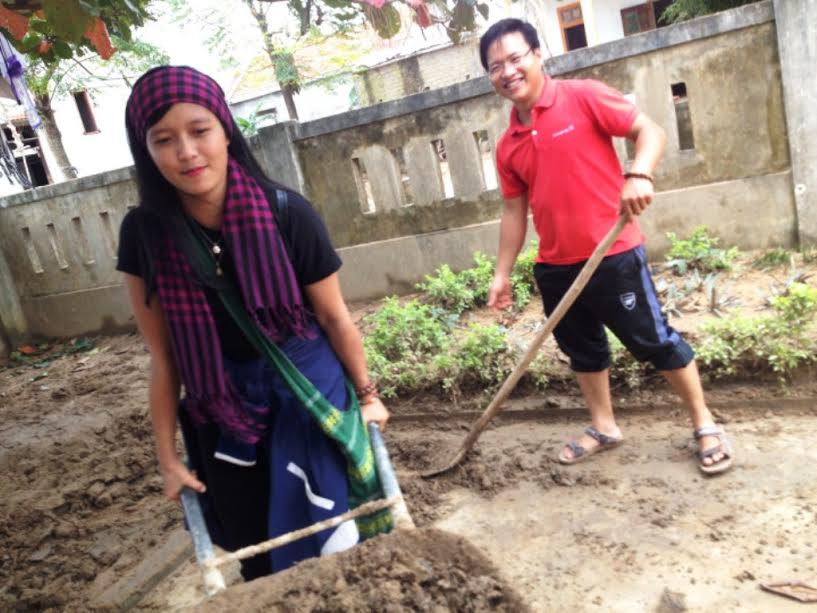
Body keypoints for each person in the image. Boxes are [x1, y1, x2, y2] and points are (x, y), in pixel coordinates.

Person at [117, 65, 391, 580]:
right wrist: (167, 459)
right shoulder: (144, 235)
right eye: (164, 140)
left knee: (337, 536)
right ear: (146, 151)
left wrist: (369, 395)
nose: (188, 152)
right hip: (223, 413)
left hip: (307, 397)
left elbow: (334, 317)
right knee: (257, 551)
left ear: (225, 129)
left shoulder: (287, 212)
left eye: (199, 131)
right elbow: (164, 355)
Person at [479, 19, 732, 475]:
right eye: (496, 66)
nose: (508, 71)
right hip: (556, 266)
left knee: (655, 342)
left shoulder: (583, 96)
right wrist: (501, 274)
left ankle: (705, 422)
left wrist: (639, 173)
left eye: (516, 58)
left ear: (539, 55)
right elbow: (515, 212)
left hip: (613, 256)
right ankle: (604, 426)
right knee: (584, 352)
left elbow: (649, 131)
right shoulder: (507, 146)